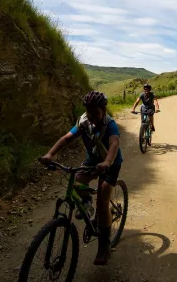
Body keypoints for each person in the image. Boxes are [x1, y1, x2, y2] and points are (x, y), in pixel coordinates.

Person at [39, 91, 122, 265]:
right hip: (93, 159)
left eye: (96, 113)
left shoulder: (110, 124)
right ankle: (86, 204)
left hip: (110, 161)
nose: (93, 117)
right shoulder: (84, 122)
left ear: (104, 110)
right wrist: (50, 154)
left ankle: (104, 246)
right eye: (90, 113)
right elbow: (66, 138)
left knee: (104, 195)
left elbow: (114, 144)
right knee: (77, 182)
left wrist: (107, 162)